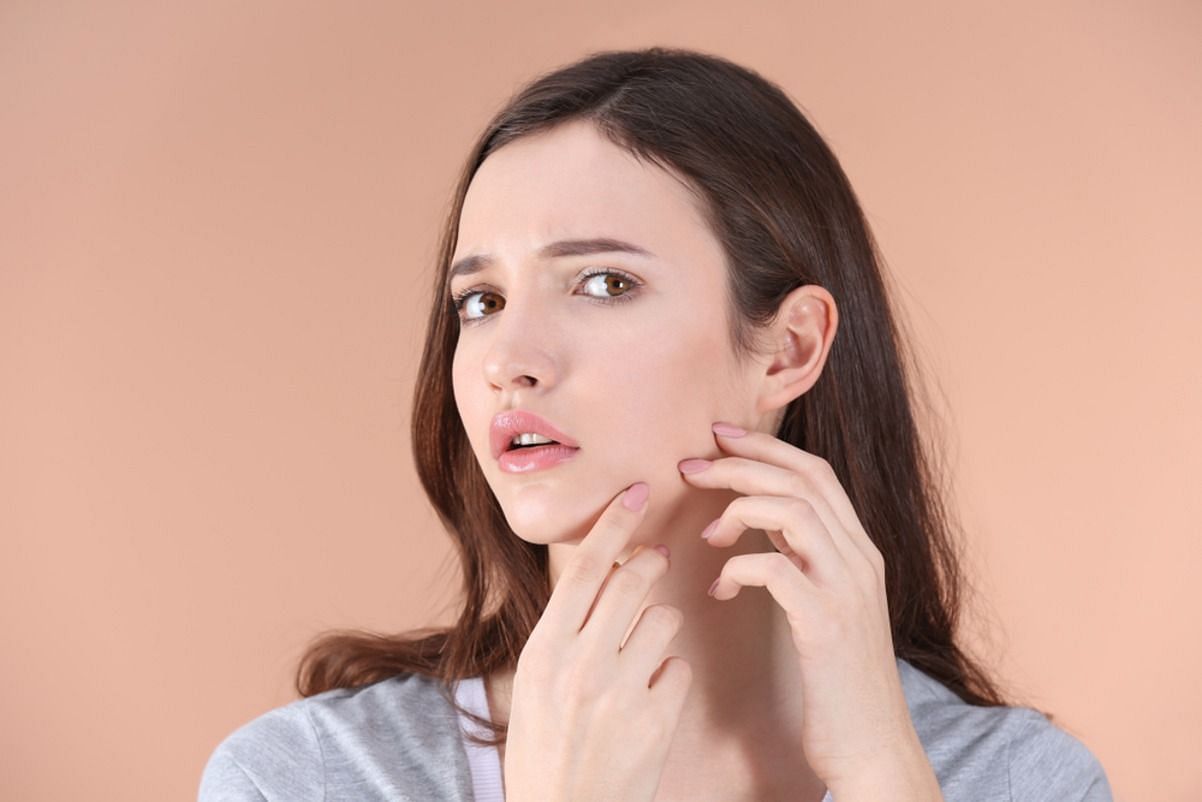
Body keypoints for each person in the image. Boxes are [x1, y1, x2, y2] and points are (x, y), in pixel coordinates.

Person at [198, 46, 1114, 801]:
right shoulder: (307, 780)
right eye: (480, 300)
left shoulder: (1017, 782)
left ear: (789, 350)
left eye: (604, 284)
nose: (506, 356)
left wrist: (885, 777)